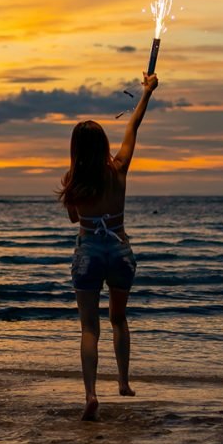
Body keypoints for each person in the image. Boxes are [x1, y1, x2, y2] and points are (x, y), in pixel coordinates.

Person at [58, 72, 159, 421]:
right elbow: (134, 125)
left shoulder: (73, 180)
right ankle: (124, 382)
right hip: (119, 252)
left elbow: (75, 220)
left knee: (89, 328)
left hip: (88, 254)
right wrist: (146, 92)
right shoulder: (119, 168)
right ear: (103, 145)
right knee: (118, 319)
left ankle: (89, 394)